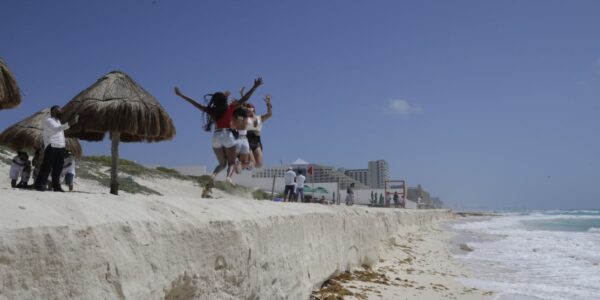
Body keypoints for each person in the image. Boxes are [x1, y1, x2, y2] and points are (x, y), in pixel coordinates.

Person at [174, 78, 262, 185]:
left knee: (221, 163)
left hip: (216, 137)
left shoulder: (212, 110)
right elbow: (245, 98)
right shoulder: (230, 108)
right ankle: (228, 178)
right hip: (227, 135)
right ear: (224, 100)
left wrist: (181, 95)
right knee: (231, 162)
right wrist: (254, 86)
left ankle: (212, 177)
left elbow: (195, 103)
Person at [34, 105, 78, 192]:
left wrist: (70, 123)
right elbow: (56, 129)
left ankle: (56, 186)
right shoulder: (49, 120)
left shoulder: (58, 121)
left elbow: (60, 129)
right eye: (59, 110)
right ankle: (39, 185)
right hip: (52, 145)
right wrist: (69, 123)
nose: (61, 111)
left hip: (60, 147)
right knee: (47, 167)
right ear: (53, 111)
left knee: (58, 168)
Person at [246, 94, 272, 168]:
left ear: (253, 108)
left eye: (249, 106)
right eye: (246, 107)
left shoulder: (259, 118)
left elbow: (269, 115)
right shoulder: (245, 118)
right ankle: (240, 163)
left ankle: (243, 163)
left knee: (259, 165)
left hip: (257, 141)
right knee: (252, 163)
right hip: (247, 140)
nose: (247, 108)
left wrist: (268, 103)